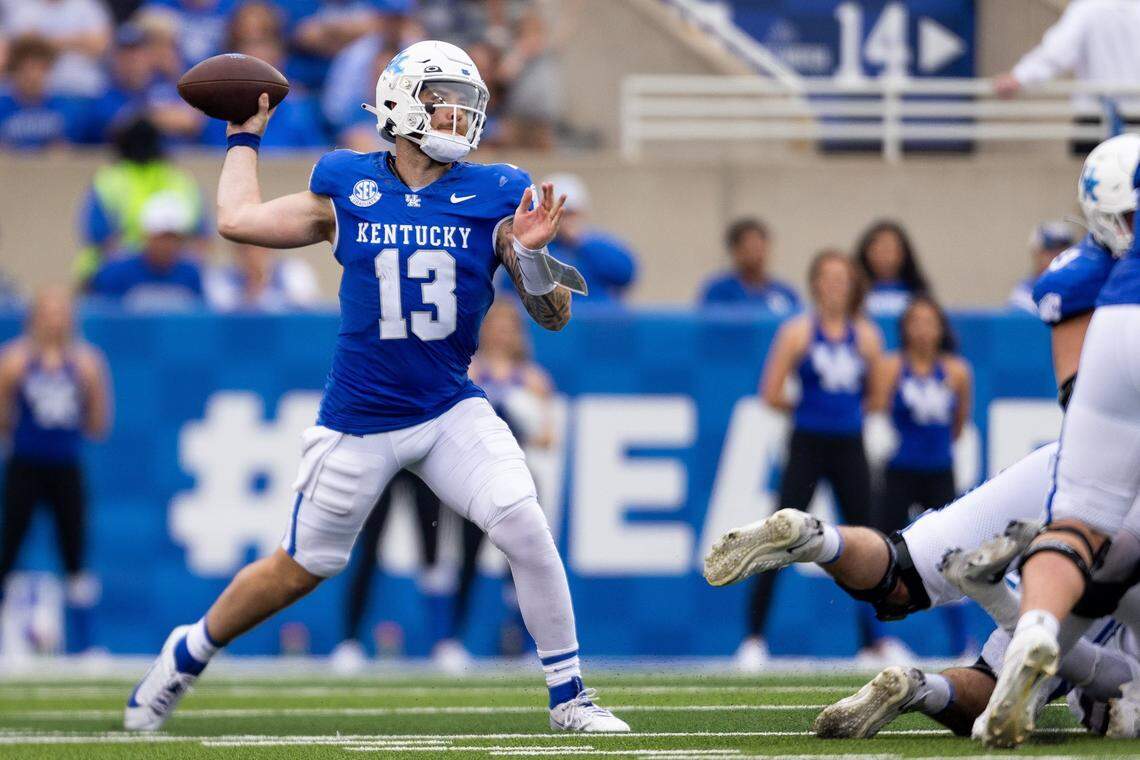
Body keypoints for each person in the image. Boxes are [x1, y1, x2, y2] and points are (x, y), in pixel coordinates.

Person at [123, 39, 628, 733]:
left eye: (465, 105)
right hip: (358, 420)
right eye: (443, 101)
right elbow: (235, 221)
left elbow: (554, 317)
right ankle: (189, 649)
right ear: (399, 101)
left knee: (525, 526)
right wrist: (243, 136)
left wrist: (533, 256)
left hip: (449, 406)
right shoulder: (347, 182)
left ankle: (570, 699)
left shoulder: (498, 191)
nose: (457, 117)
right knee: (299, 568)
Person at [702, 133, 1139, 738]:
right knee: (1108, 688)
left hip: (1071, 474)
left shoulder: (1078, 276)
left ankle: (822, 542)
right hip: (1106, 512)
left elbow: (1080, 400)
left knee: (907, 574)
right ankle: (986, 635)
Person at [981, 150, 1140, 745]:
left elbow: (1075, 394)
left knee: (1076, 520)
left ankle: (1034, 627)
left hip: (1118, 323)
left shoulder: (1082, 271)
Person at [733, 249, 884, 670]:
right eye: (828, 277)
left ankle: (873, 642)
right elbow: (771, 390)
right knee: (779, 534)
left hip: (850, 446)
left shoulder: (868, 336)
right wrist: (809, 408)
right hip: (807, 443)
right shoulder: (798, 332)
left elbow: (877, 394)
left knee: (866, 540)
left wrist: (847, 412)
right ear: (815, 283)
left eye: (844, 277)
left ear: (853, 285)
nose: (836, 285)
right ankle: (754, 639)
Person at [441, 300, 558, 668]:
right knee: (467, 557)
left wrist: (519, 420)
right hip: (475, 474)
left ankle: (525, 642)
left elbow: (547, 438)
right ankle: (451, 642)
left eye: (510, 326)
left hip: (517, 472)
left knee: (523, 561)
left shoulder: (534, 379)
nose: (502, 333)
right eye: (497, 325)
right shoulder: (470, 371)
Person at [0, 287, 111, 653]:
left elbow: (98, 421)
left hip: (65, 467)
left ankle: (85, 643)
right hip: (26, 466)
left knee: (75, 553)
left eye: (60, 312)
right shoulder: (15, 360)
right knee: (9, 547)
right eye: (48, 312)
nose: (54, 320)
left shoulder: (86, 363)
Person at [876, 296, 972, 655]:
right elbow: (876, 413)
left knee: (952, 553)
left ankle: (961, 643)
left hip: (938, 472)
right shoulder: (890, 366)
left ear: (941, 328)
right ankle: (879, 640)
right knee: (883, 550)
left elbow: (958, 425)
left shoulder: (957, 371)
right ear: (904, 328)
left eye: (929, 321)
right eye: (915, 321)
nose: (922, 329)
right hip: (899, 471)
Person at [327, 470, 446, 674]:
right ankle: (349, 642)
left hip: (423, 452)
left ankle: (444, 641)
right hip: (385, 452)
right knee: (368, 551)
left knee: (432, 557)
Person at [993, 0, 1140, 151]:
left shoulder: (1088, 8)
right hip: (1123, 116)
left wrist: (1019, 76)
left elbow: (1057, 53)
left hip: (1095, 119)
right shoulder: (1090, 8)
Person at [76, 117, 206, 282]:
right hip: (111, 277)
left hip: (175, 274)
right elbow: (100, 240)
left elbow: (201, 240)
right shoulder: (180, 179)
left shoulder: (109, 179)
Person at [88, 192, 205, 310]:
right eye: (161, 237)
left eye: (172, 238)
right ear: (146, 236)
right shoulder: (115, 273)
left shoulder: (191, 274)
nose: (166, 245)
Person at [540, 173, 636, 305]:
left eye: (571, 214)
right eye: (561, 214)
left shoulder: (597, 245)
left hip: (598, 320)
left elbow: (625, 274)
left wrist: (580, 242)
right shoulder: (539, 249)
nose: (567, 221)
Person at [0, 0, 112, 96]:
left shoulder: (87, 7)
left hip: (85, 90)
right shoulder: (24, 10)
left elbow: (100, 46)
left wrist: (43, 42)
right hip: (38, 95)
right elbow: (19, 49)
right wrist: (78, 40)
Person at [0, 35, 88, 151]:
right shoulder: (2, 106)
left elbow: (83, 148)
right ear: (15, 71)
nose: (32, 76)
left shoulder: (67, 108)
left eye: (38, 68)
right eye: (26, 69)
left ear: (48, 70)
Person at [699, 217, 800, 316]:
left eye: (760, 248)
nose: (758, 255)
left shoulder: (785, 292)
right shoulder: (718, 291)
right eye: (751, 248)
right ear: (735, 251)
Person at [204, 243, 319, 312]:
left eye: (257, 246)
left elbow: (305, 307)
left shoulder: (293, 271)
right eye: (245, 248)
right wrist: (253, 284)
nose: (251, 254)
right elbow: (224, 308)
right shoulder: (221, 278)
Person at [853, 220, 930, 318]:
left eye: (890, 248)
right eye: (879, 248)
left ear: (903, 253)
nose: (885, 255)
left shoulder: (917, 294)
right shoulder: (853, 294)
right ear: (867, 252)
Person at [1008, 222, 1075, 315]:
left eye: (1064, 253)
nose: (1058, 259)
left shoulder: (1078, 290)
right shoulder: (1023, 296)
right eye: (1051, 253)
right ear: (1036, 255)